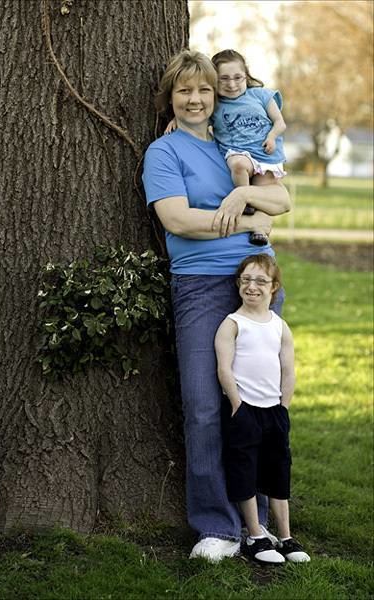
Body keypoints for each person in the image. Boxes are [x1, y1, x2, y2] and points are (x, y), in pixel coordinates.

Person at [142, 49, 291, 562]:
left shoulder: (234, 139)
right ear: (171, 99)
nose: (196, 98)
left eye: (204, 89)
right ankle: (216, 526)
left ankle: (263, 525)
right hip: (201, 285)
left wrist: (245, 199)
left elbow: (283, 199)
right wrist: (249, 219)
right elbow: (179, 221)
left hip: (257, 281)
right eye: (185, 90)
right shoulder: (164, 153)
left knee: (260, 407)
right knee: (206, 407)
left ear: (217, 93)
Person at [215, 254, 310, 564]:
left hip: (274, 411)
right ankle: (255, 535)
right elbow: (224, 369)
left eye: (260, 281)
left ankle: (285, 537)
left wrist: (283, 407)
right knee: (245, 470)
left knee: (278, 471)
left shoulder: (279, 326)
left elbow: (288, 370)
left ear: (274, 287)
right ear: (238, 284)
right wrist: (237, 405)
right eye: (246, 280)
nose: (252, 286)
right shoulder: (232, 324)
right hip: (244, 411)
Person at [166, 49, 287, 247]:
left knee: (263, 195)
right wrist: (175, 118)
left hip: (265, 154)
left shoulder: (260, 96)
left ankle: (260, 228)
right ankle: (253, 220)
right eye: (224, 79)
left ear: (246, 76)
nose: (232, 84)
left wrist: (272, 138)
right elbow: (179, 223)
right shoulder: (217, 108)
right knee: (239, 167)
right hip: (240, 157)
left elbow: (284, 202)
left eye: (238, 78)